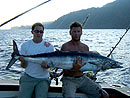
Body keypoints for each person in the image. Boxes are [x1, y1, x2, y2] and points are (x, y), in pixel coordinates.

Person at [61, 22, 109, 98]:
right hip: (69, 79)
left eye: (78, 31)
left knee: (105, 95)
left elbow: (87, 65)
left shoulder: (85, 47)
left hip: (82, 78)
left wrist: (99, 67)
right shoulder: (65, 47)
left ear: (81, 32)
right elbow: (65, 69)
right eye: (74, 31)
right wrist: (75, 69)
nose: (76, 34)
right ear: (70, 33)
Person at [18, 22, 54, 98]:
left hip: (43, 79)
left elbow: (49, 66)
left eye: (41, 32)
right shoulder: (25, 45)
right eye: (36, 31)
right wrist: (23, 61)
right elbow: (24, 66)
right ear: (32, 32)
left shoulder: (49, 46)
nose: (38, 33)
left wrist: (46, 66)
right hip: (28, 77)